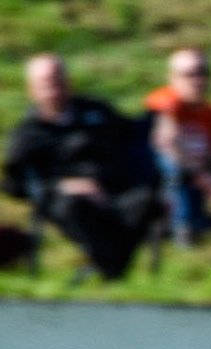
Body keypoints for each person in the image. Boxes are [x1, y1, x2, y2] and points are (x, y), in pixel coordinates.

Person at [3, 54, 159, 280]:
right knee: (75, 207)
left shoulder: (97, 112)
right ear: (32, 90)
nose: (55, 88)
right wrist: (63, 186)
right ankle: (112, 269)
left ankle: (109, 266)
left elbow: (134, 131)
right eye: (46, 83)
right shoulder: (28, 135)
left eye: (58, 79)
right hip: (66, 200)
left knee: (147, 199)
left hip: (113, 191)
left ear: (69, 81)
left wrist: (162, 120)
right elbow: (15, 184)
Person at [145, 47, 211, 246]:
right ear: (173, 78)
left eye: (202, 73)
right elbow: (169, 142)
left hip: (200, 185)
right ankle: (183, 228)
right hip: (169, 181)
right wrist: (201, 177)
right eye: (189, 74)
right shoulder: (164, 101)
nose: (198, 80)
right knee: (174, 169)